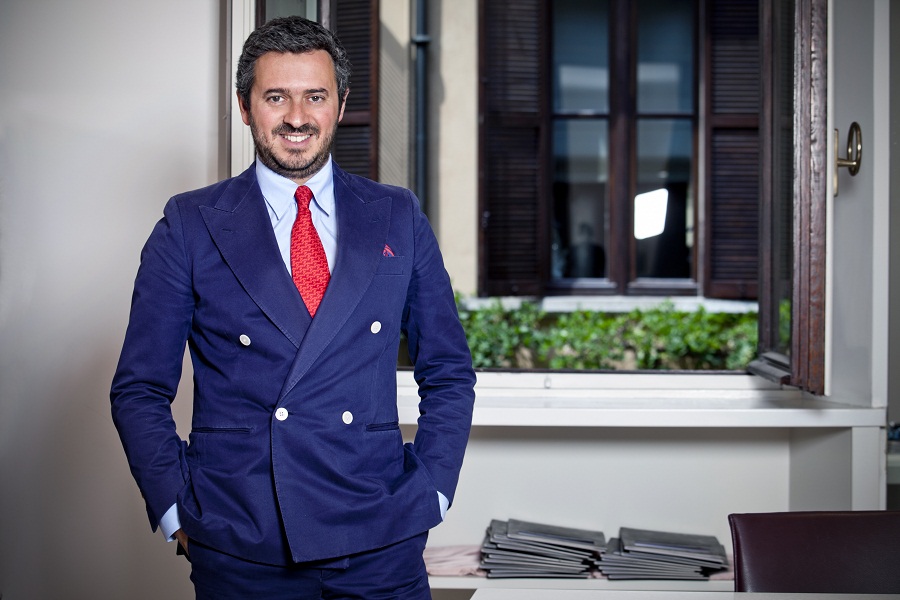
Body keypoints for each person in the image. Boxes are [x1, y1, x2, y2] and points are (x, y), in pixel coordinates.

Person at [111, 15, 475, 599]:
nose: (298, 117)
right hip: (244, 541)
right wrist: (177, 511)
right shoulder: (189, 223)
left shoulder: (397, 215)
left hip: (379, 536)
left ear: (341, 104)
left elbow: (449, 371)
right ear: (245, 106)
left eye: (316, 97)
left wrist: (431, 490)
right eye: (276, 97)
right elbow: (139, 389)